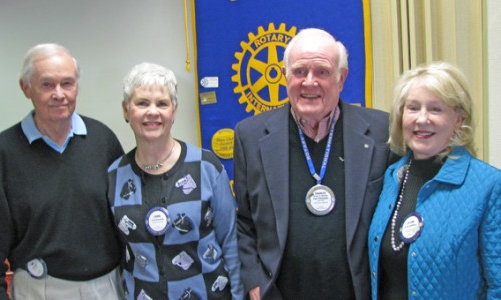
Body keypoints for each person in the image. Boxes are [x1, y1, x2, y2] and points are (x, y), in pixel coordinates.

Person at [233, 28, 395, 299]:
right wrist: (254, 282)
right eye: (299, 72)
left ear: (341, 79)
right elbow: (245, 221)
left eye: (322, 71)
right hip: (279, 293)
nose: (309, 82)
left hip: (357, 291)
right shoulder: (250, 135)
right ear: (285, 76)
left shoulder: (381, 131)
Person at [0, 44, 125, 299]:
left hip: (106, 286)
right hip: (39, 287)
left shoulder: (103, 140)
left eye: (67, 83)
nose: (59, 94)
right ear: (25, 87)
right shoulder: (2, 153)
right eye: (46, 85)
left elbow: (124, 219)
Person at [107, 62, 243, 300]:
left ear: (174, 110)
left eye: (162, 103)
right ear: (126, 110)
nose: (152, 112)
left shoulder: (207, 167)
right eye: (142, 103)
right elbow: (116, 252)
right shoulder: (115, 176)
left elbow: (232, 242)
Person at [368, 61, 501, 299]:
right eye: (413, 108)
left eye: (435, 109)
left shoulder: (489, 185)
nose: (422, 119)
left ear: (459, 118)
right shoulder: (390, 178)